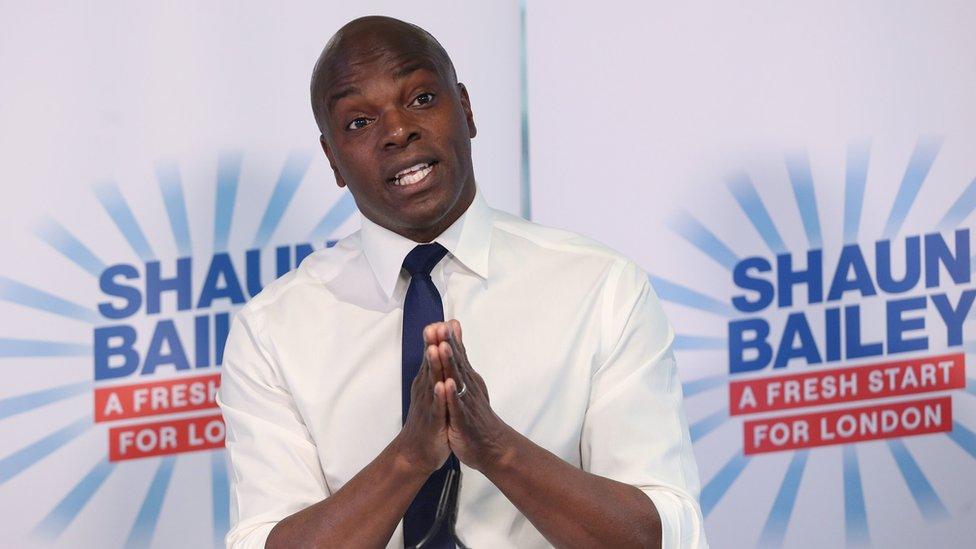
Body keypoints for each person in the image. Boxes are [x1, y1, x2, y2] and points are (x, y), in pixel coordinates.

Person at [217, 15, 707, 549]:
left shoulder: (602, 289)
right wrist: (408, 457)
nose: (398, 130)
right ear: (332, 158)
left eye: (422, 98)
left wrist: (498, 449)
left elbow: (662, 538)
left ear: (467, 110)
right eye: (359, 122)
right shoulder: (273, 331)